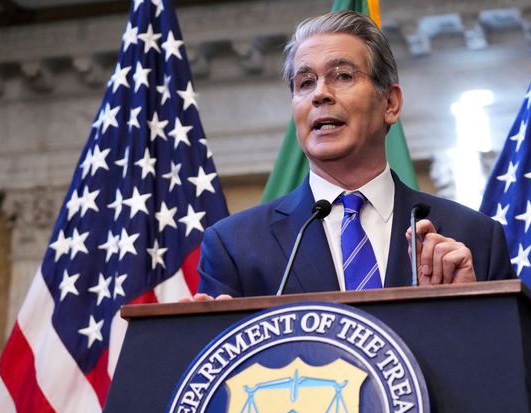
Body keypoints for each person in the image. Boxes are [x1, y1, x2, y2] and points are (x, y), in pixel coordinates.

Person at [195, 10, 513, 299]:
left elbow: (507, 358)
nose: (320, 94)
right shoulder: (235, 246)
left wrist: (468, 311)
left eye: (343, 76)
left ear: (390, 103)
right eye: (305, 82)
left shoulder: (474, 238)